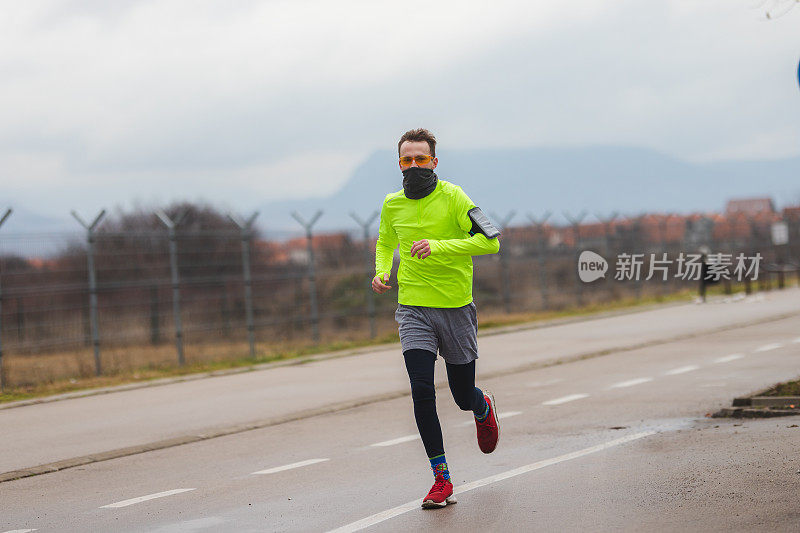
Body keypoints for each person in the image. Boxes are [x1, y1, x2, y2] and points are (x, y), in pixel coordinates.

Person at [372, 128, 501, 509]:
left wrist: (440, 246)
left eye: (420, 159)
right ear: (399, 163)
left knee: (461, 395)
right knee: (422, 392)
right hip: (413, 308)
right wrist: (382, 271)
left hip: (456, 307)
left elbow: (490, 241)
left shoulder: (455, 197)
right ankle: (441, 479)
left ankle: (482, 407)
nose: (413, 166)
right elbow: (385, 241)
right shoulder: (392, 204)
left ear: (434, 162)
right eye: (406, 160)